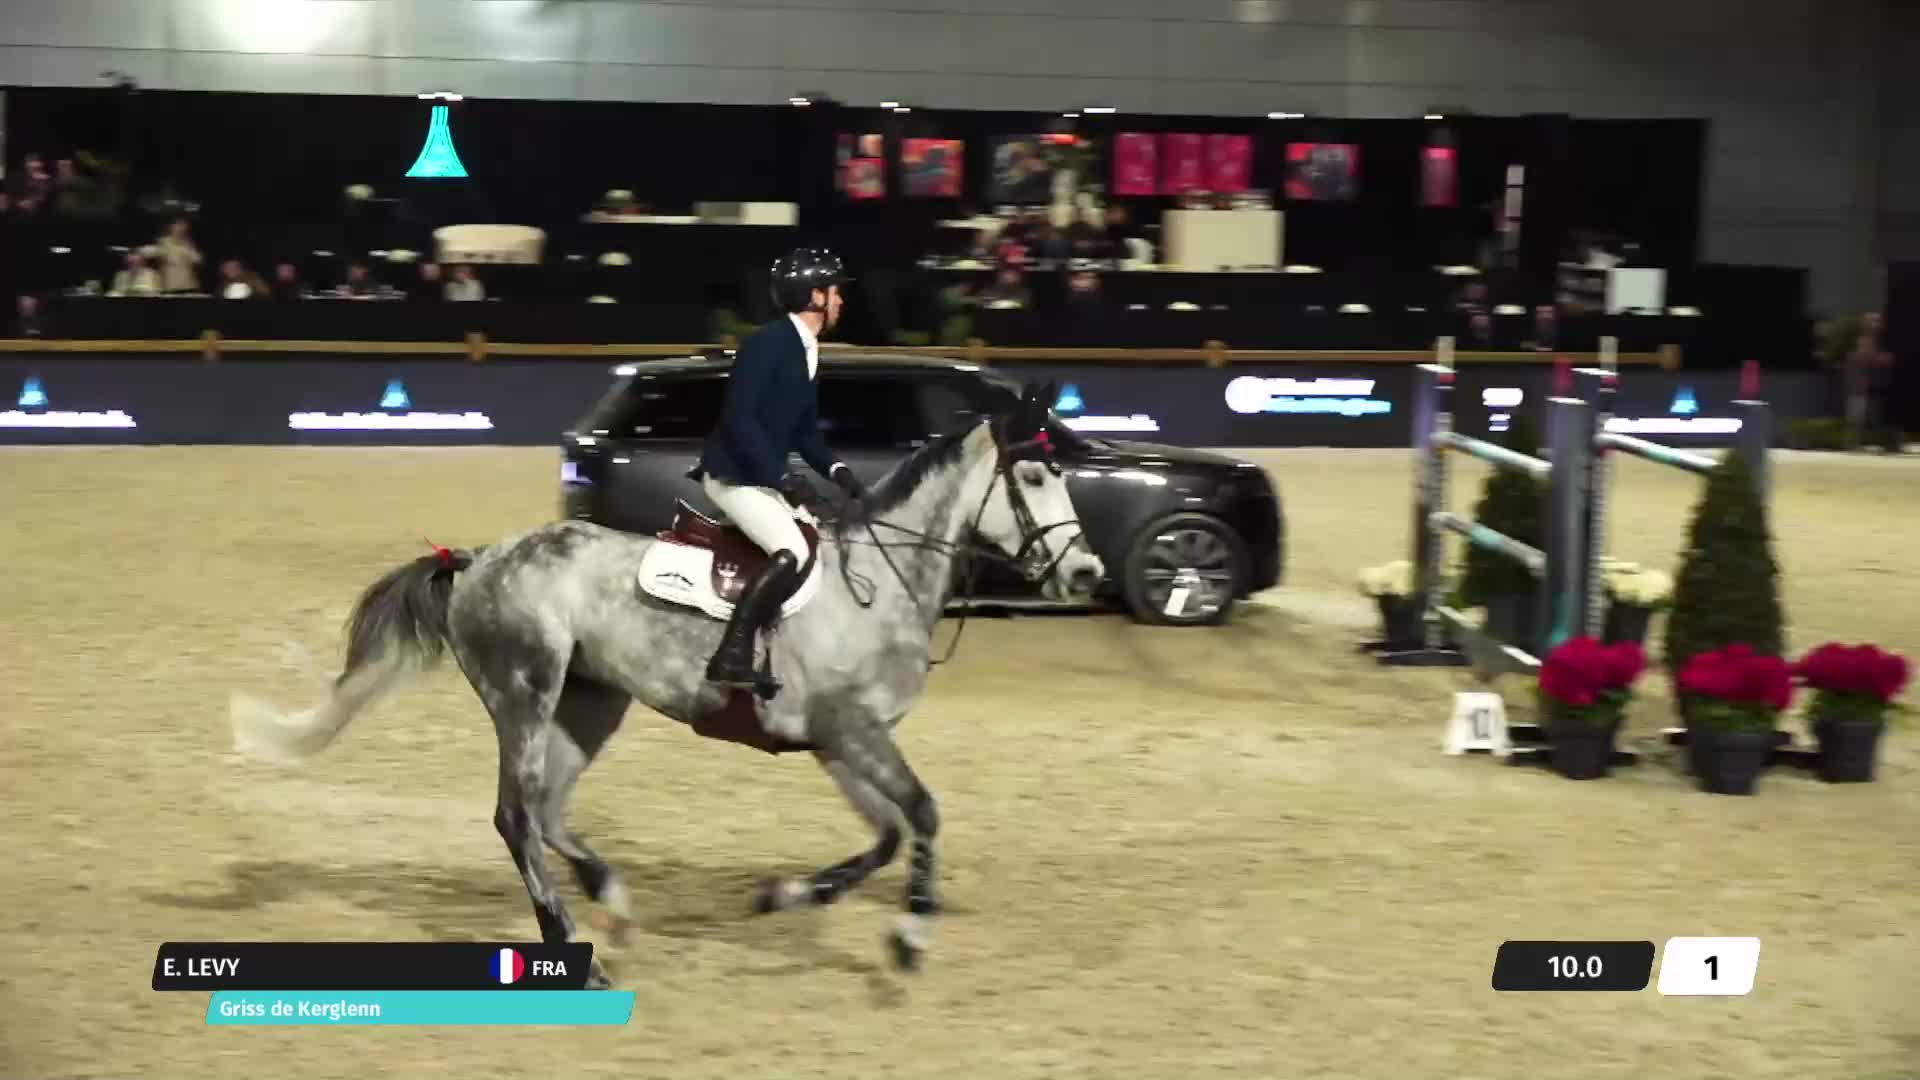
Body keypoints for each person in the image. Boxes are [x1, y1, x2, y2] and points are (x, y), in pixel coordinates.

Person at [690, 247, 866, 689]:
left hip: (762, 477)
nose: (841, 300)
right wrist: (781, 478)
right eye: (835, 292)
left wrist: (838, 471)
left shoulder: (808, 349)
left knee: (821, 542)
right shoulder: (766, 343)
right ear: (815, 296)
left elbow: (805, 434)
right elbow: (740, 419)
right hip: (734, 476)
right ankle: (731, 655)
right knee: (792, 549)